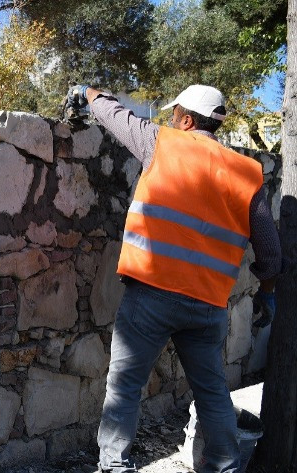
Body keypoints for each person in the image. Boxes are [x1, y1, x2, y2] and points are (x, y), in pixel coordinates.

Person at [67, 84, 281, 473]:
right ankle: (226, 467)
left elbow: (116, 117)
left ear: (186, 119)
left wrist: (88, 91)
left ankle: (114, 466)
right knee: (213, 392)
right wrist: (267, 293)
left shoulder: (162, 143)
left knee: (125, 386)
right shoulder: (248, 174)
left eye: (174, 113)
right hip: (208, 307)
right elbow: (270, 253)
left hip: (151, 295)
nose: (169, 120)